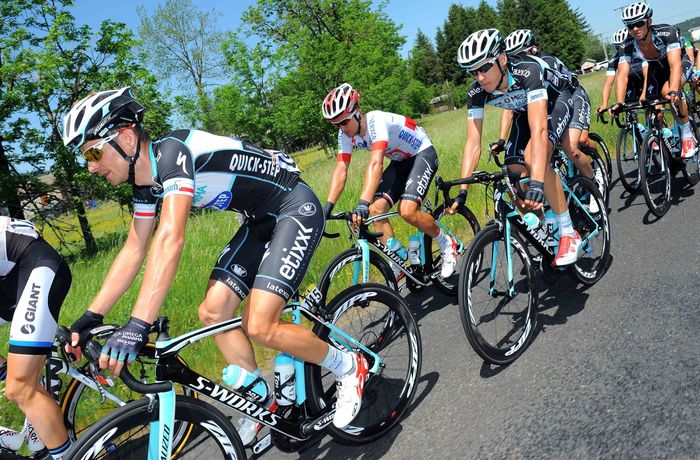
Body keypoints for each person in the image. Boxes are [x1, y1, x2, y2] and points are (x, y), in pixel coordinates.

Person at [61, 87, 367, 444]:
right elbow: (134, 248)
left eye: (94, 152)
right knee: (211, 311)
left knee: (260, 324)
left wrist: (138, 323)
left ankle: (348, 366)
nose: (91, 166)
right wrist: (91, 316)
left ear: (127, 138)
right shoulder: (146, 185)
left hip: (295, 207)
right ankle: (262, 404)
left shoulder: (174, 153)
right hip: (259, 221)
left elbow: (170, 238)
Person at [453, 28, 581, 266]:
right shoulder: (476, 92)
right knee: (513, 170)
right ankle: (545, 226)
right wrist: (462, 190)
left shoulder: (527, 71)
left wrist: (538, 182)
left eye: (484, 67)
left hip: (557, 102)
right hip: (525, 112)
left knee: (535, 159)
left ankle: (568, 231)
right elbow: (472, 143)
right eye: (473, 71)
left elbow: (540, 130)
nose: (480, 77)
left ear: (502, 59)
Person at [321, 83, 458, 278]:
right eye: (335, 124)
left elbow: (375, 164)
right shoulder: (345, 135)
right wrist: (327, 207)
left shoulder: (376, 121)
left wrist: (362, 202)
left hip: (421, 153)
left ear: (358, 112)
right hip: (400, 162)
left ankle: (446, 243)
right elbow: (341, 169)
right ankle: (399, 264)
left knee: (407, 210)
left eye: (343, 122)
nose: (341, 128)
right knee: (376, 211)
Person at [503, 29, 604, 206]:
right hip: (547, 106)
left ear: (533, 49)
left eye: (521, 54)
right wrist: (501, 139)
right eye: (513, 56)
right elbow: (510, 108)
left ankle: (595, 180)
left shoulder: (546, 62)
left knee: (573, 145)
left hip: (571, 95)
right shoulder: (515, 74)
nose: (517, 60)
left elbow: (562, 92)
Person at [0, 216, 72, 458]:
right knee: (21, 381)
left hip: (36, 264)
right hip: (11, 276)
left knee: (18, 387)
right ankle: (36, 400)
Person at [614, 2, 697, 158]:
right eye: (630, 26)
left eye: (639, 23)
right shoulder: (627, 44)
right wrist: (619, 101)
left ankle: (687, 135)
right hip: (656, 66)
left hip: (679, 61)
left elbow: (675, 65)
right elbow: (623, 75)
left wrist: (674, 90)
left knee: (668, 92)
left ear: (649, 21)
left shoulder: (666, 33)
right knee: (648, 101)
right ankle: (662, 137)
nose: (635, 29)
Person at [599, 28, 649, 110]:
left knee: (654, 110)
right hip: (632, 81)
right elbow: (608, 85)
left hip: (647, 77)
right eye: (618, 48)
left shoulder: (641, 51)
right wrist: (604, 104)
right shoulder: (614, 60)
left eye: (625, 46)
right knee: (628, 108)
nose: (623, 50)